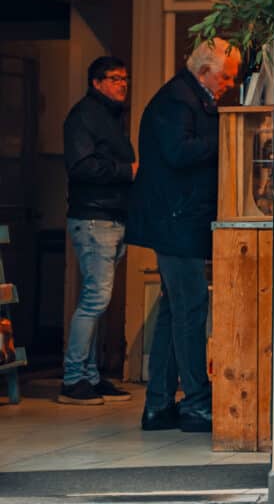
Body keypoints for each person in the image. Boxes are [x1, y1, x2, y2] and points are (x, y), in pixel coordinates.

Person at [126, 38, 241, 433]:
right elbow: (179, 152)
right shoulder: (179, 99)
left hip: (178, 219)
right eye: (225, 76)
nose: (228, 84)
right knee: (190, 310)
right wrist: (228, 136)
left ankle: (158, 405)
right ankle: (196, 403)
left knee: (175, 311)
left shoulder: (186, 96)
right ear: (204, 69)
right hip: (177, 221)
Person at [58, 56, 136, 406]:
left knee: (97, 299)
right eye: (115, 78)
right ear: (96, 82)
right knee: (95, 299)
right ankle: (74, 378)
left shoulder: (108, 117)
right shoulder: (83, 116)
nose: (123, 84)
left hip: (110, 216)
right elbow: (82, 166)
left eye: (125, 79)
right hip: (94, 217)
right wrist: (126, 170)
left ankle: (89, 375)